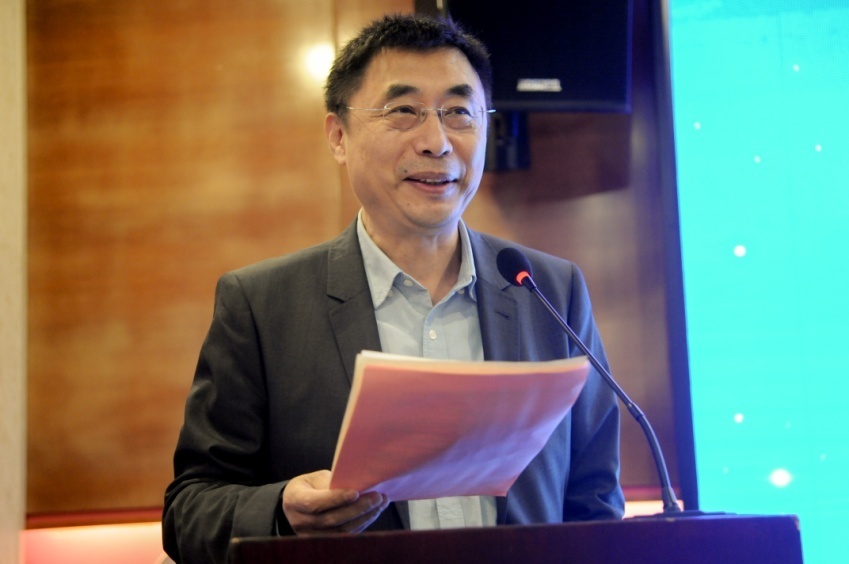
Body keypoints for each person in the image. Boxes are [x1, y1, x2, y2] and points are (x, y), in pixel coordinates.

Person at [163, 13, 624, 563]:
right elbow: (189, 512)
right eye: (403, 111)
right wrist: (281, 511)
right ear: (338, 136)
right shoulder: (262, 307)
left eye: (459, 112)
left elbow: (594, 500)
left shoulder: (548, 290)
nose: (436, 142)